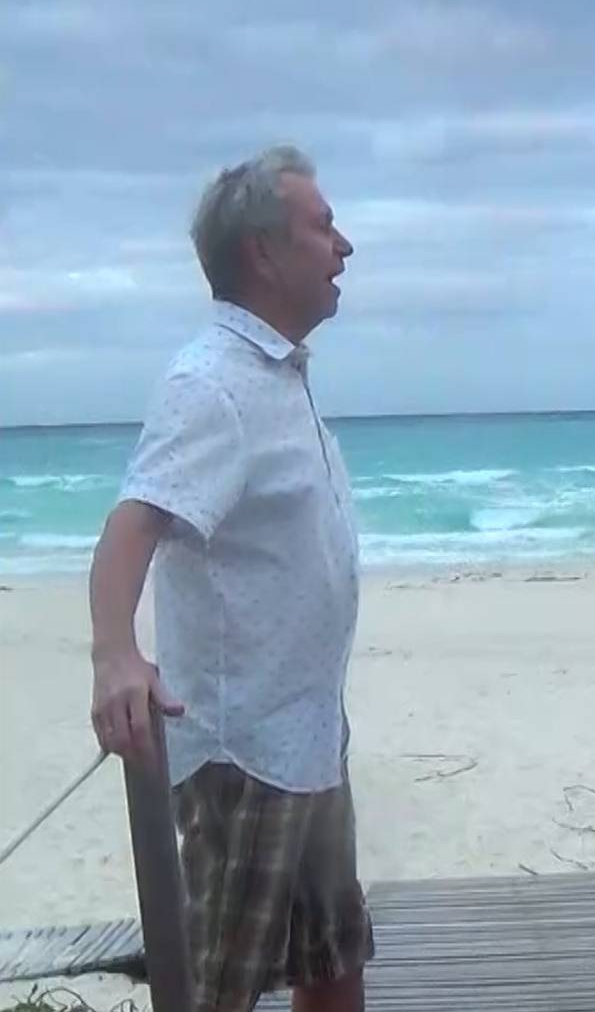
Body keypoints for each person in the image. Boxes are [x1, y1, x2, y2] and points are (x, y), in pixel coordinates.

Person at [87, 144, 369, 1012]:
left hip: (308, 741)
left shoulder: (275, 374)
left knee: (333, 962)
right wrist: (115, 655)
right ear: (263, 253)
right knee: (218, 992)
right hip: (241, 756)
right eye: (323, 227)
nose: (344, 245)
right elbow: (133, 523)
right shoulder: (211, 383)